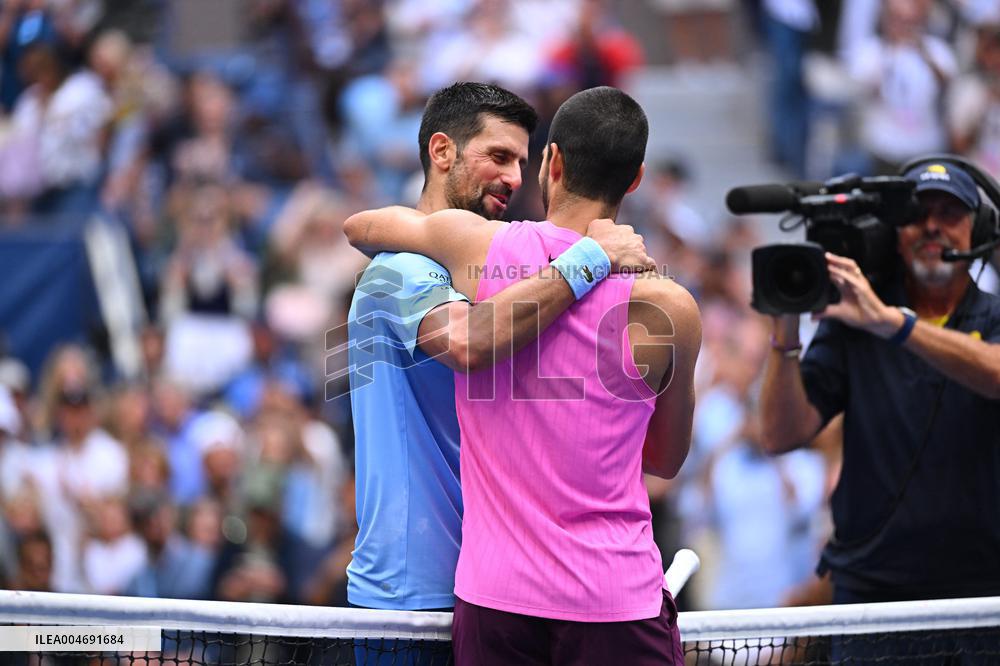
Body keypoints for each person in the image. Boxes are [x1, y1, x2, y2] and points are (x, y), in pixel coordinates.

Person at [345, 86, 700, 665]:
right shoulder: (671, 306)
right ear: (635, 180)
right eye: (499, 156)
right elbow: (663, 459)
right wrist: (591, 257)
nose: (513, 177)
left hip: (490, 597)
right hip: (429, 593)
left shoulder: (480, 254)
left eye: (521, 160)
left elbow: (361, 223)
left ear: (551, 163)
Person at [760, 157, 1000, 613]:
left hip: (985, 592)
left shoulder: (989, 317)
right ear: (893, 233)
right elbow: (780, 434)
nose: (931, 226)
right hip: (873, 593)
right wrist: (785, 333)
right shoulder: (853, 322)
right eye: (914, 215)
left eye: (949, 214)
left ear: (979, 228)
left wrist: (893, 323)